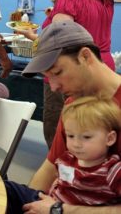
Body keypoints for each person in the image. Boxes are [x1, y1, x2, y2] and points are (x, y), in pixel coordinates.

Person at [13, 21, 121, 214]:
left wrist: (59, 209)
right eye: (48, 77)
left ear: (85, 56)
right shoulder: (74, 103)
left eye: (57, 73)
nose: (53, 87)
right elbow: (51, 166)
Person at [19, 0, 115, 148]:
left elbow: (57, 43)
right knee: (95, 128)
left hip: (71, 67)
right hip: (102, 65)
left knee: (60, 130)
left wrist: (31, 36)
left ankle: (61, 166)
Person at [5, 96, 121, 213]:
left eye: (86, 137)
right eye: (70, 136)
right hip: (51, 202)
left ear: (110, 138)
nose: (76, 144)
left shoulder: (113, 170)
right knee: (6, 189)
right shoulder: (67, 158)